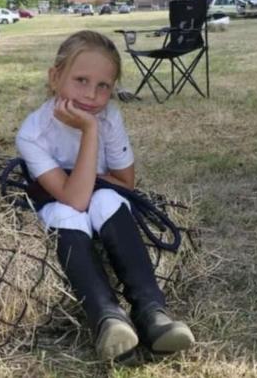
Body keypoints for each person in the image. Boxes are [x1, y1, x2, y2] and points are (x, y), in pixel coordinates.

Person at [15, 30, 194, 361]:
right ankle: (107, 318)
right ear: (55, 77)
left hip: (94, 194)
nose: (91, 96)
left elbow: (126, 183)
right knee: (66, 214)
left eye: (103, 86)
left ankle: (152, 312)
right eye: (80, 80)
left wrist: (85, 163)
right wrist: (89, 131)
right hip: (58, 204)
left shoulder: (110, 116)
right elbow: (73, 201)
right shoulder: (33, 132)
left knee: (107, 200)